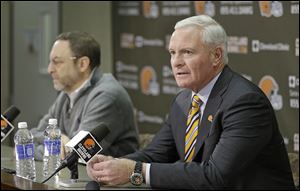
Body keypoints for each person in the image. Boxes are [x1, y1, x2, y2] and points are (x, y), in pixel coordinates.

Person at [86, 15, 295, 189]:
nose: (176, 62)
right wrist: (114, 164)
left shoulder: (245, 102)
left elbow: (215, 175)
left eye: (187, 52)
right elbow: (156, 153)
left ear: (216, 55)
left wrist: (135, 171)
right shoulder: (184, 99)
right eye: (172, 53)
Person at [31, 31, 139, 160]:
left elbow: (75, 154)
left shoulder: (107, 96)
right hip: (75, 176)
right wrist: (58, 138)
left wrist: (28, 150)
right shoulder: (67, 93)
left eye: (57, 62)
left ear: (83, 64)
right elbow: (34, 134)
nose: (50, 69)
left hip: (109, 179)